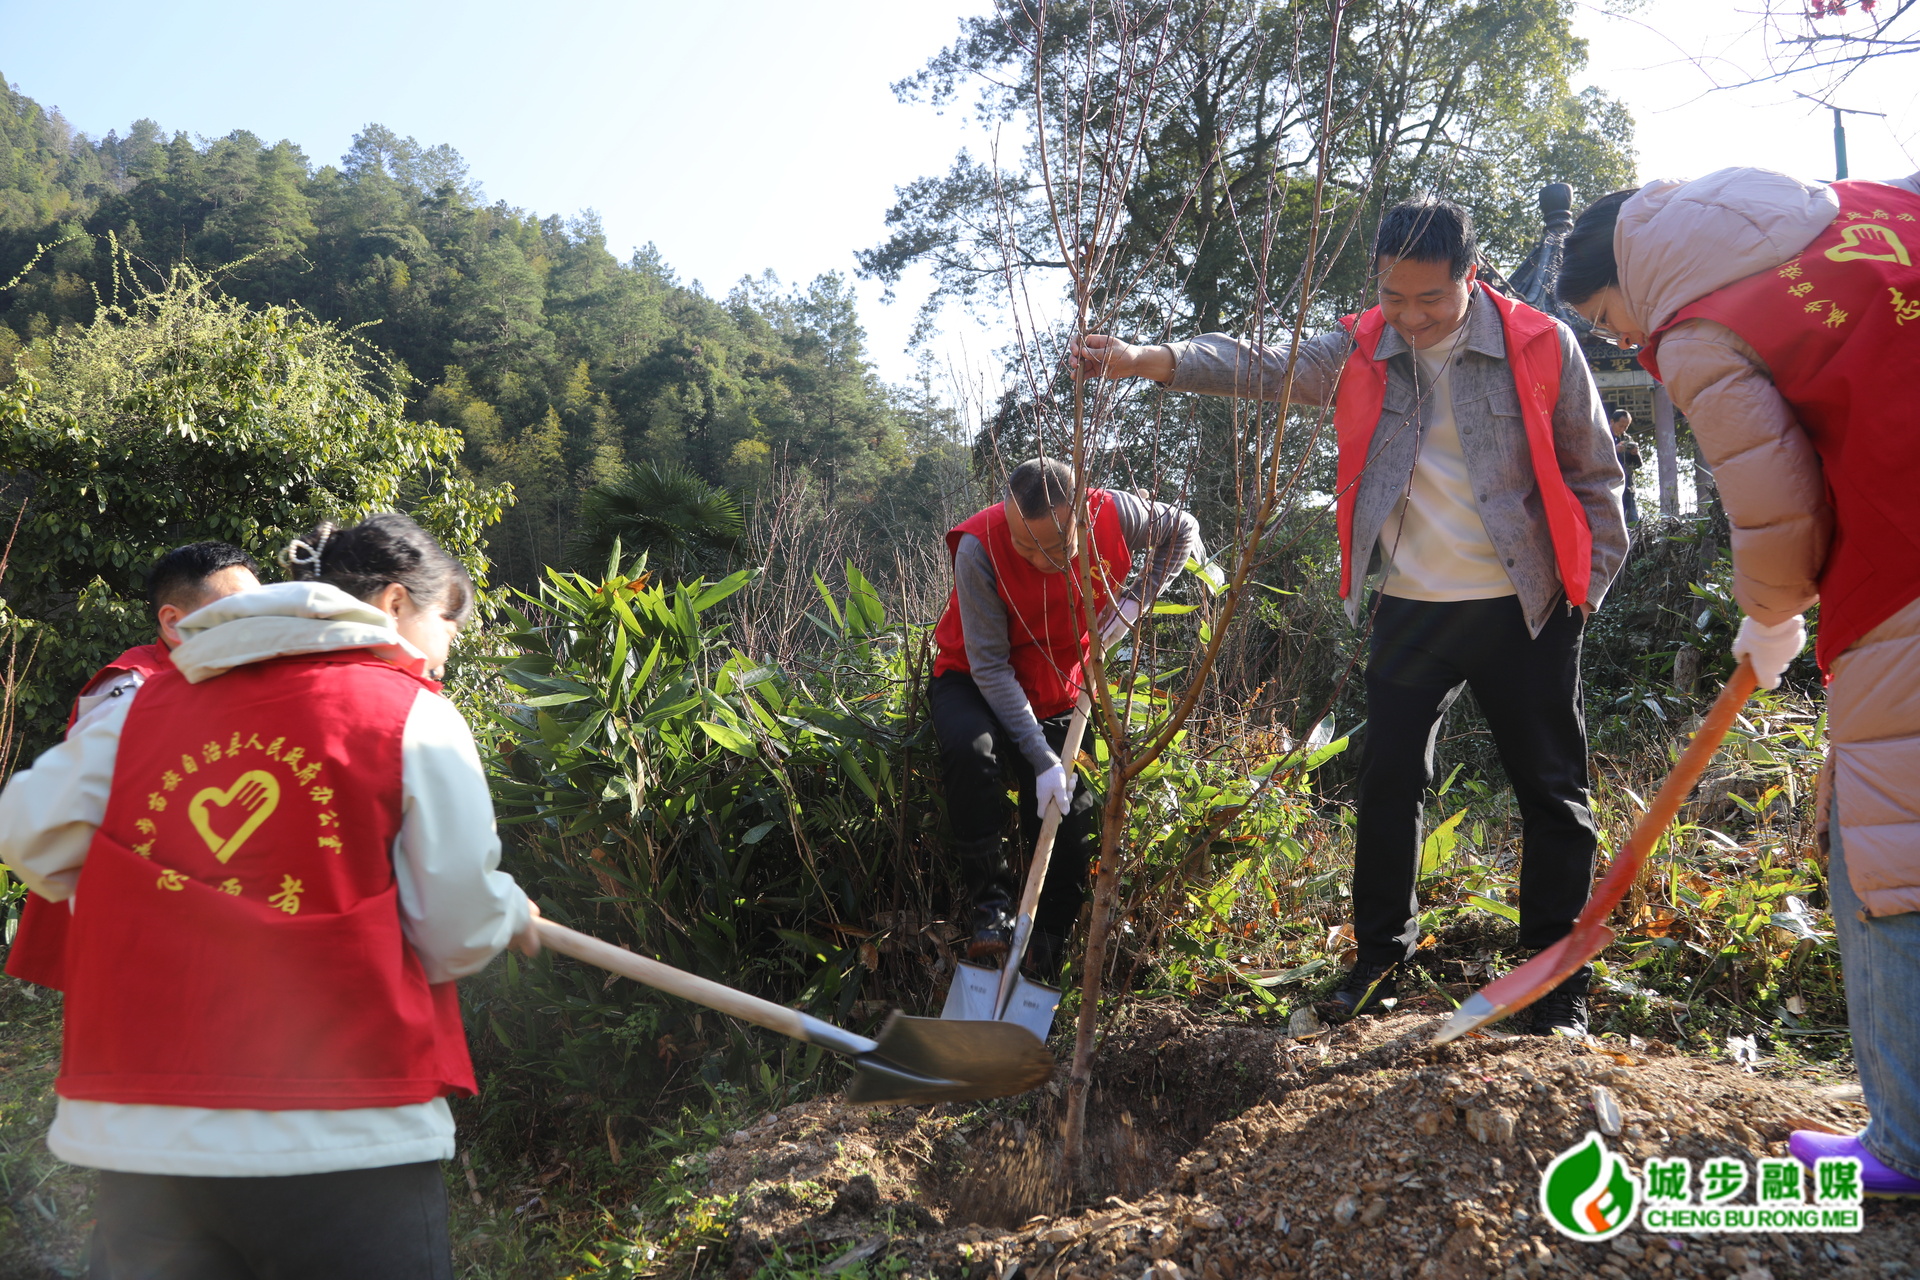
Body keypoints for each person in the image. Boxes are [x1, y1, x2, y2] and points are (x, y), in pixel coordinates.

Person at [1072, 196, 1627, 1033]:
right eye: (1392, 296)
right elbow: (1263, 365)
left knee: (1552, 793)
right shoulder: (1364, 345)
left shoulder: (1540, 344)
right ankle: (1378, 966)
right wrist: (1143, 359)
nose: (1411, 316)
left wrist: (1583, 597)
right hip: (1411, 608)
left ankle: (1557, 988)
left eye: (1430, 298)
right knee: (1387, 785)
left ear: (1471, 276)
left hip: (1526, 607)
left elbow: (1598, 478)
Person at [0, 513, 538, 1278]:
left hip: (145, 1140)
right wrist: (506, 909)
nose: (449, 647)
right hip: (344, 1130)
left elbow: (24, 831)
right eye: (447, 621)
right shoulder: (411, 711)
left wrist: (149, 899)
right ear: (394, 604)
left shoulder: (140, 707)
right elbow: (454, 929)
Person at [1558, 165, 1920, 1194]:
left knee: (1888, 854)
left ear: (1628, 273)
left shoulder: (1695, 327)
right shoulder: (1867, 204)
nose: (1625, 336)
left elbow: (1776, 509)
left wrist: (1769, 616)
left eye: (1607, 316)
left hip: (1905, 561)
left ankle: (1906, 1142)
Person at [932, 457, 1202, 977]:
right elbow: (989, 667)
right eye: (1023, 545)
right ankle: (991, 908)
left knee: (1071, 818)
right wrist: (1041, 759)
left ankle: (1044, 949)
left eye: (1052, 548)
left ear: (1080, 516)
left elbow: (1183, 529)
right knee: (970, 752)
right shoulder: (978, 547)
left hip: (1057, 686)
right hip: (972, 680)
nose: (1036, 559)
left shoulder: (1115, 515)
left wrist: (1133, 603)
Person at [5, 540, 262, 992]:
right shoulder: (131, 692)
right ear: (174, 622)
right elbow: (40, 826)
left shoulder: (246, 681)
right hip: (146, 933)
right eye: (236, 611)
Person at [1610, 410, 1643, 526]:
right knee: (1613, 521)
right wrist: (1614, 450)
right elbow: (1597, 458)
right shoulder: (1603, 436)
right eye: (1620, 426)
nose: (1623, 429)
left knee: (1633, 521)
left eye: (1626, 427)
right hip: (1610, 486)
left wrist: (1635, 454)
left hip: (1628, 487)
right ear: (1612, 422)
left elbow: (1638, 465)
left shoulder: (1627, 439)